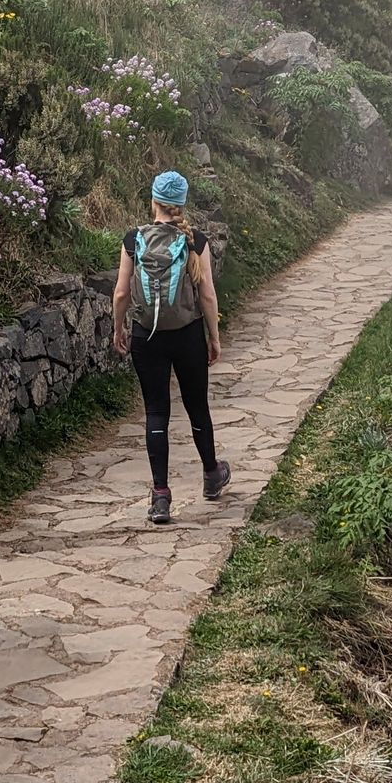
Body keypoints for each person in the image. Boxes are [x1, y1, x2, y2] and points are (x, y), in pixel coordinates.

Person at [113, 170, 232, 526]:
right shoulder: (195, 241)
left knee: (156, 413)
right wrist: (213, 336)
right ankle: (211, 474)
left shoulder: (134, 239)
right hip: (187, 333)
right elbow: (207, 295)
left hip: (146, 337)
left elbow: (121, 293)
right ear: (182, 204)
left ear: (153, 201)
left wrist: (119, 327)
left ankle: (160, 497)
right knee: (197, 406)